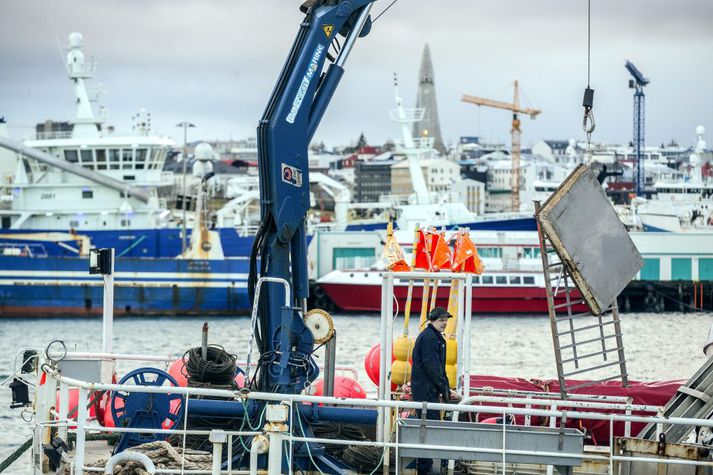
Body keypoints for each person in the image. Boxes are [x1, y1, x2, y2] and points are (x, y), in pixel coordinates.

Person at [410, 306, 461, 474]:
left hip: (428, 390)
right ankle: (425, 468)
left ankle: (428, 464)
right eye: (441, 320)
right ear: (432, 320)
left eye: (446, 320)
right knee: (427, 427)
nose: (445, 323)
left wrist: (445, 388)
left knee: (428, 427)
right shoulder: (430, 338)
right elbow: (432, 367)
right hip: (425, 391)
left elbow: (439, 368)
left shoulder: (434, 337)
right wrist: (445, 389)